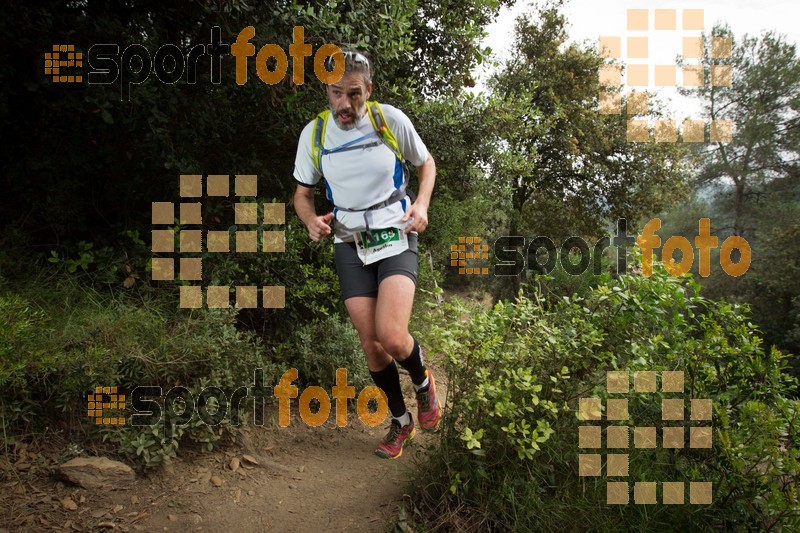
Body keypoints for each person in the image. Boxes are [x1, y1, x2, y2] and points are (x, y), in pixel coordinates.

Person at [292, 49, 440, 459]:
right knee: (372, 344)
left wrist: (422, 204)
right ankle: (400, 421)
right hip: (350, 243)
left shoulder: (388, 120)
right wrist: (309, 220)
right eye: (337, 93)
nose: (345, 104)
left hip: (396, 232)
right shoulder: (315, 135)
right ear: (327, 91)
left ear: (368, 90)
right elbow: (302, 195)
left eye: (354, 94)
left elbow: (426, 165)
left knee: (392, 335)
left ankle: (424, 385)